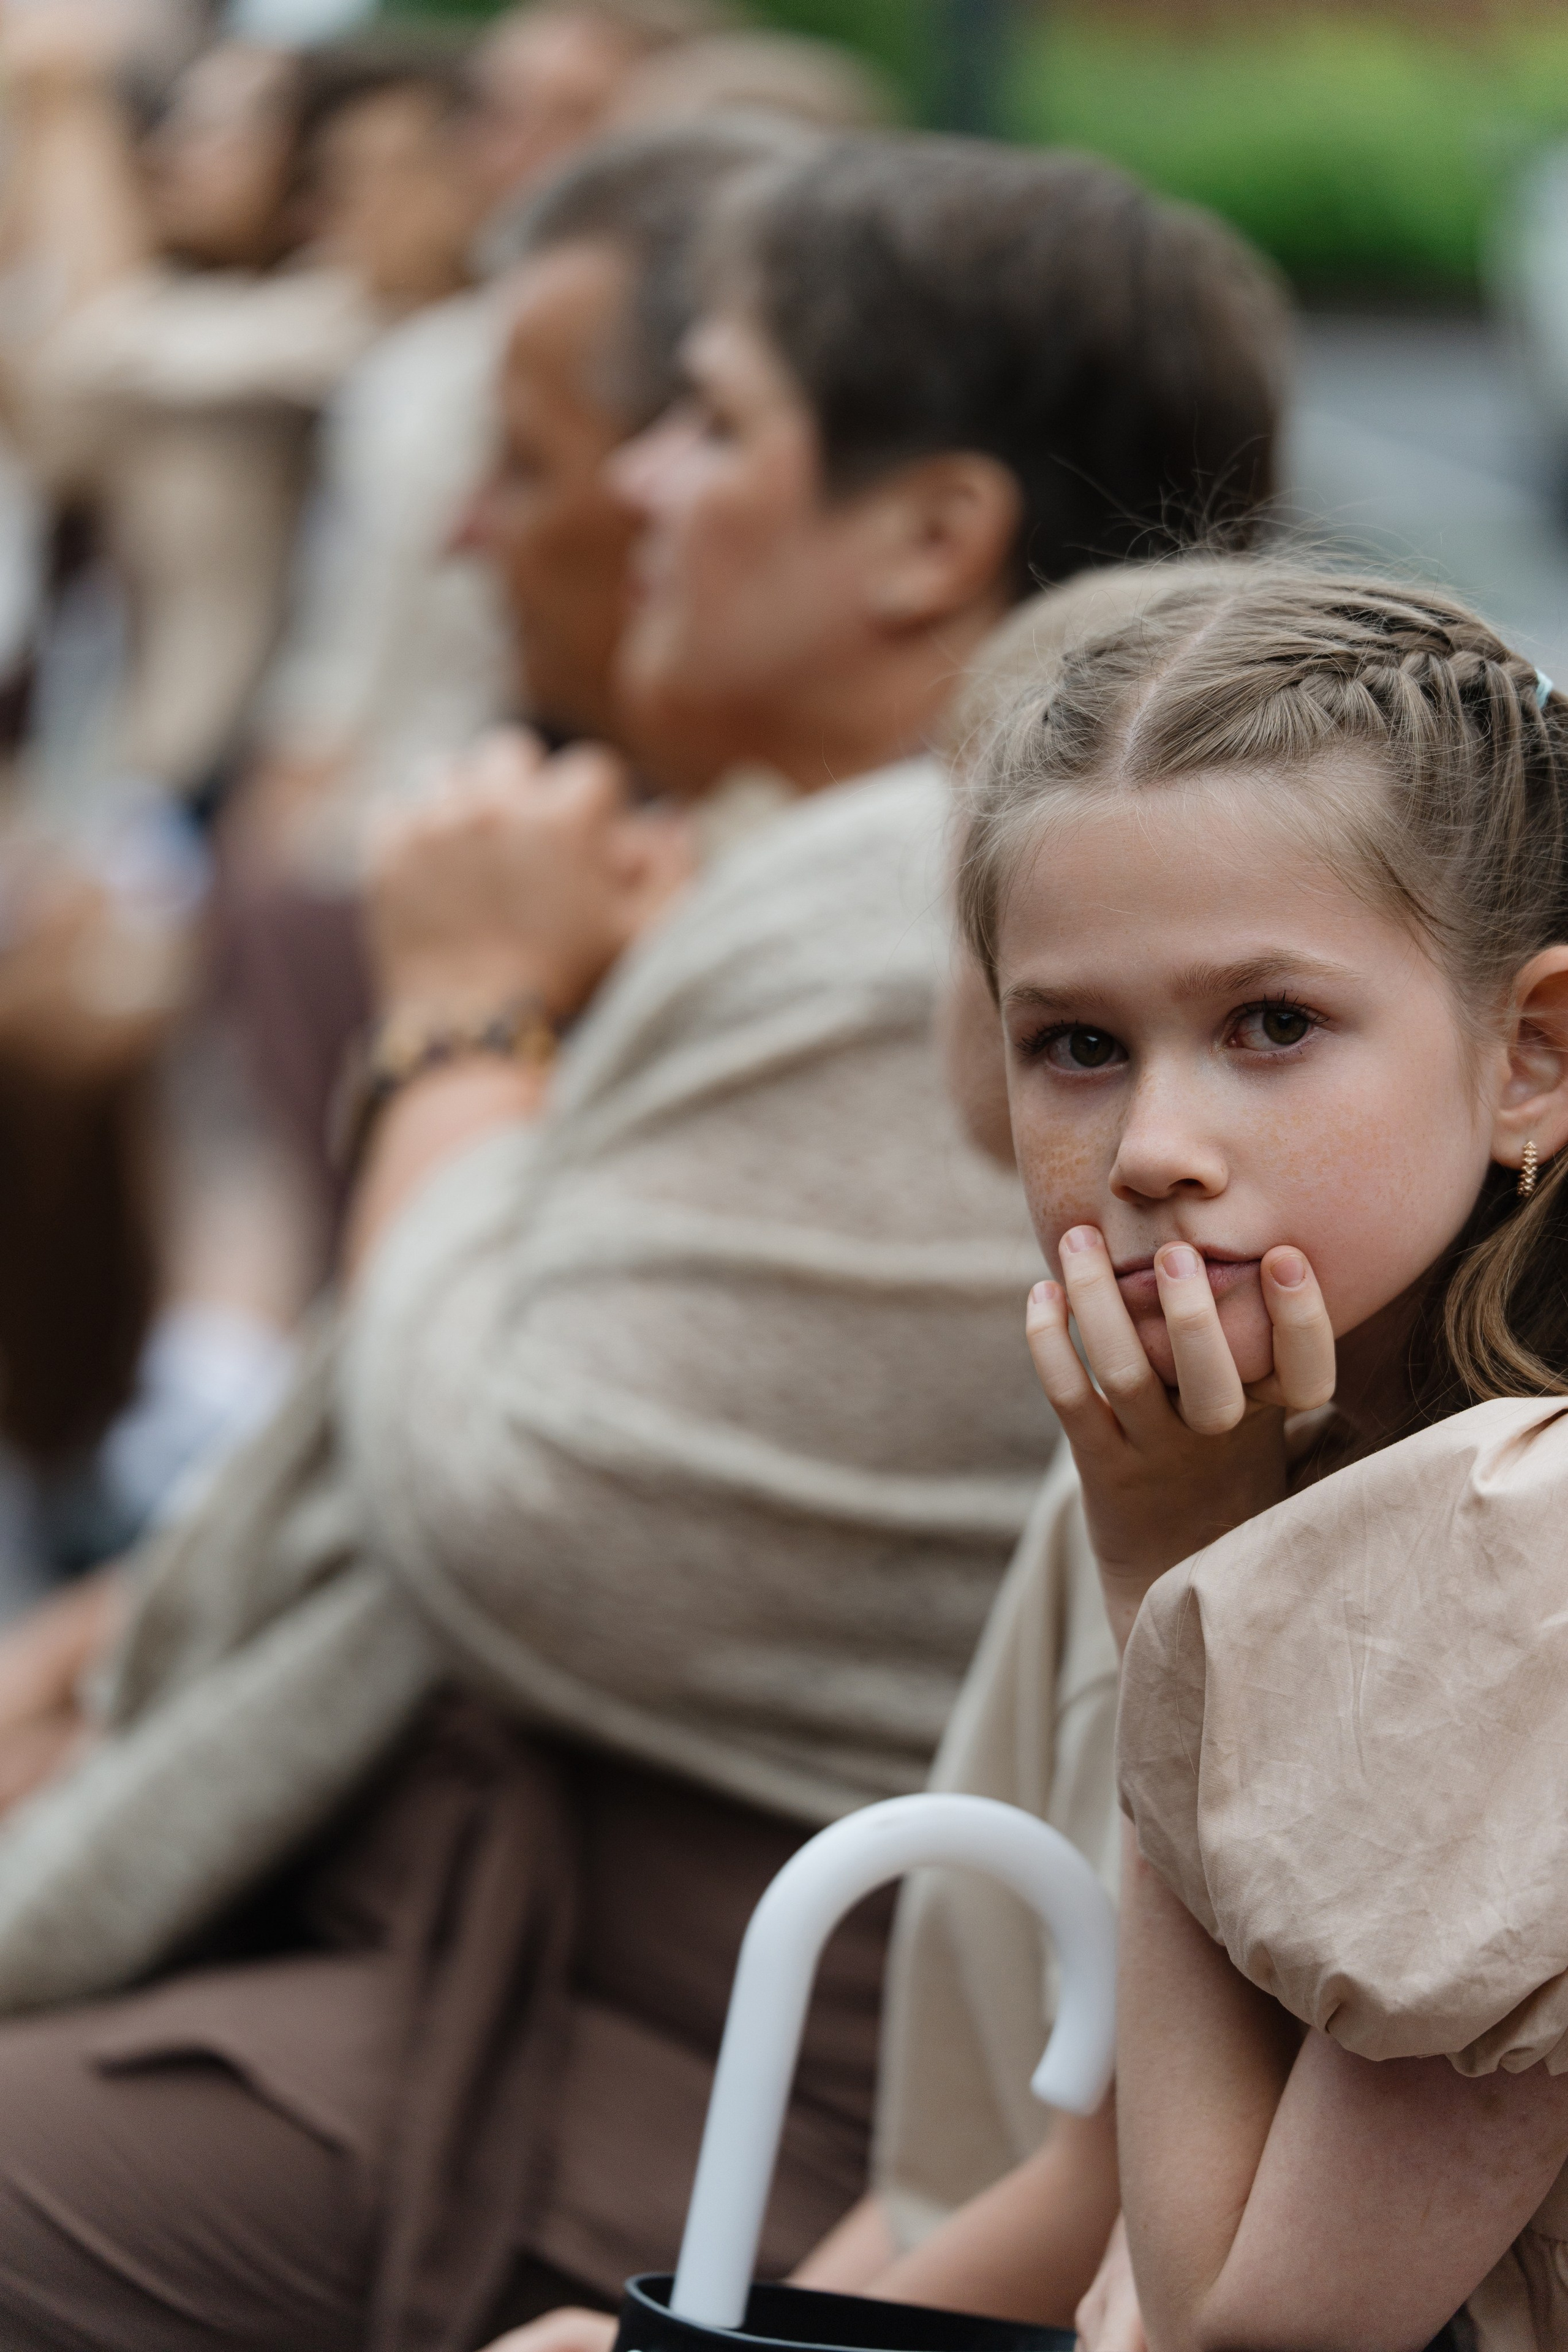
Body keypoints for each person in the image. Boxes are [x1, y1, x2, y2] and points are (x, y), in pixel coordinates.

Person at [0, 135, 1284, 2351]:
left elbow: (518, 1517)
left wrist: (462, 1028)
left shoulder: (948, 902)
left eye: (705, 421)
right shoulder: (854, 868)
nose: (552, 516)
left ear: (931, 535)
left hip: (708, 2048)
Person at [945, 559, 1568, 2348]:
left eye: (1269, 1026)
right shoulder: (1277, 1452)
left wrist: (1180, 1587)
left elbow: (1238, 2324)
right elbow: (1105, 2188)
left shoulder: (1516, 1544)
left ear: (1532, 1055)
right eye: (1074, 1044)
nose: (1152, 1144)